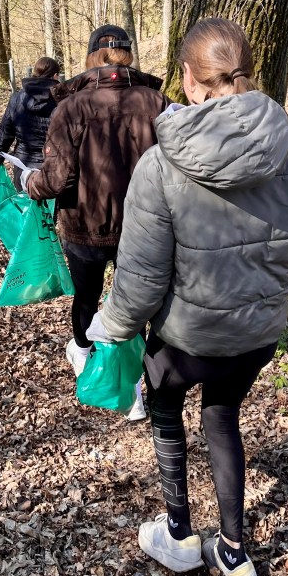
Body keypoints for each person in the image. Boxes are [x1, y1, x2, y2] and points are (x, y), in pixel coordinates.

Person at [88, 18, 288, 576]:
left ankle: (179, 534)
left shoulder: (160, 165)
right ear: (249, 72)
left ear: (189, 80)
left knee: (165, 409)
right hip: (256, 337)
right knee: (222, 418)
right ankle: (236, 556)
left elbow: (141, 283)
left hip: (184, 342)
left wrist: (108, 327)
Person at [23, 25, 168, 420]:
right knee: (134, 307)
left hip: (83, 225)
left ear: (92, 58)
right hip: (143, 227)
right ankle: (133, 392)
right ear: (128, 55)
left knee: (86, 298)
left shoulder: (72, 107)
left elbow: (56, 180)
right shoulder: (157, 103)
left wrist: (28, 181)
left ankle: (87, 362)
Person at [0, 56, 60, 191]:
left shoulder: (17, 99)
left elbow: (6, 131)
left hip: (23, 165)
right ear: (55, 76)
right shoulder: (63, 102)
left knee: (24, 203)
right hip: (53, 167)